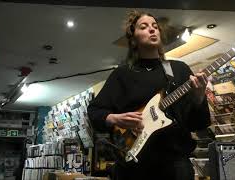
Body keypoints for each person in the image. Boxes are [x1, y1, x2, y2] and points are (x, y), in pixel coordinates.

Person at [87, 10, 210, 180]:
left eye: (155, 26)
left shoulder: (179, 70)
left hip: (175, 166)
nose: (152, 29)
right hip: (132, 166)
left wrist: (199, 97)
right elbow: (94, 111)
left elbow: (197, 124)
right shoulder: (122, 74)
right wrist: (115, 119)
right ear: (133, 39)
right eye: (143, 27)